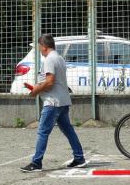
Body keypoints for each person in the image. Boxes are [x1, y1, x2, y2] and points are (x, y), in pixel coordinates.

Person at [20, 34, 85, 172]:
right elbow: (51, 81)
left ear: (44, 46)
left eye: (39, 47)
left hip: (52, 103)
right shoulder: (59, 58)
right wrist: (38, 87)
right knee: (68, 130)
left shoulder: (50, 59)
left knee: (42, 132)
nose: (39, 50)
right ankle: (79, 157)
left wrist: (36, 89)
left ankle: (36, 163)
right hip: (62, 101)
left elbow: (50, 82)